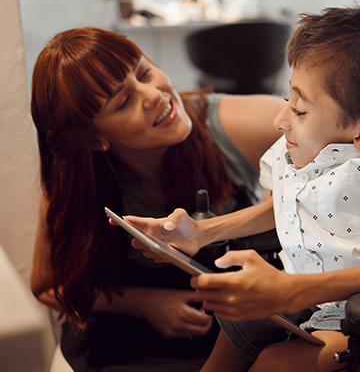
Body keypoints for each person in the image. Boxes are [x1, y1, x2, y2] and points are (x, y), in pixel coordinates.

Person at [126, 4, 360, 372]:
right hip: (298, 292)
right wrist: (200, 232)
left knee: (275, 362)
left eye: (300, 110)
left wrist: (295, 291)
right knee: (231, 335)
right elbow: (280, 205)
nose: (280, 119)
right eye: (289, 99)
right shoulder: (297, 146)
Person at [29, 27, 284, 371]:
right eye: (124, 101)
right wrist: (143, 303)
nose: (154, 95)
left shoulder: (243, 124)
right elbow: (48, 285)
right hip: (127, 333)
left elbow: (341, 134)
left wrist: (280, 189)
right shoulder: (75, 181)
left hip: (234, 322)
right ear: (95, 140)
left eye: (144, 72)